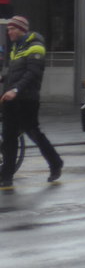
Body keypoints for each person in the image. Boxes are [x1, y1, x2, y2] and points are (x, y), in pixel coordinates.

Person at [1, 16, 64, 187]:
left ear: (21, 29)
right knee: (9, 136)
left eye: (11, 29)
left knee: (33, 133)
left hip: (27, 98)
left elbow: (32, 73)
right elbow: (15, 73)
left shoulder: (36, 45)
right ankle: (6, 176)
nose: (9, 32)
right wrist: (4, 80)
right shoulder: (17, 47)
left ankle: (56, 163)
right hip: (12, 99)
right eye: (8, 30)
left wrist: (15, 90)